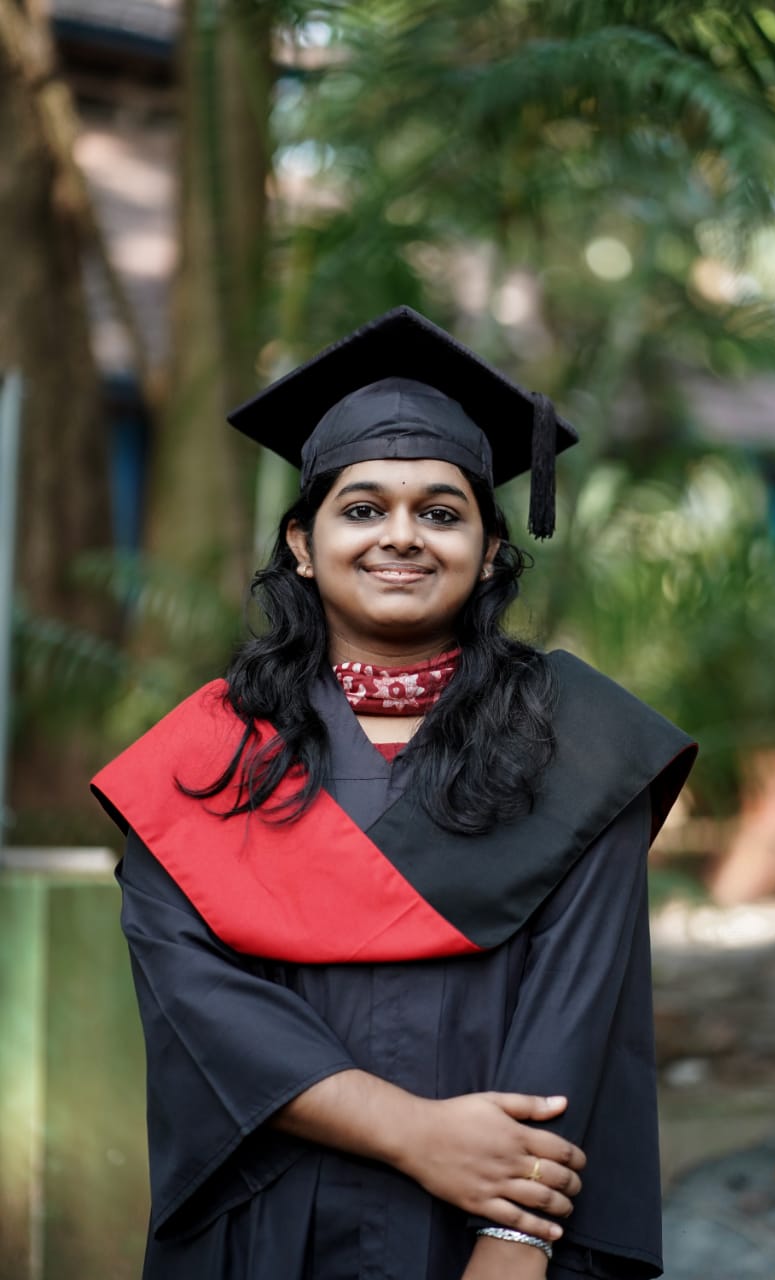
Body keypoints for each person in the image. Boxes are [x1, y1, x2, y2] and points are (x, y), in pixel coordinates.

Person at [91, 306, 697, 1280]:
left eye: (442, 512)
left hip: (499, 1212)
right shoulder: (208, 757)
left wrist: (515, 1238)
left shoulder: (579, 744)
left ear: (490, 549)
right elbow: (196, 1002)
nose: (402, 537)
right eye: (363, 508)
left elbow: (578, 1008)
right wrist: (412, 1131)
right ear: (302, 541)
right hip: (272, 1218)